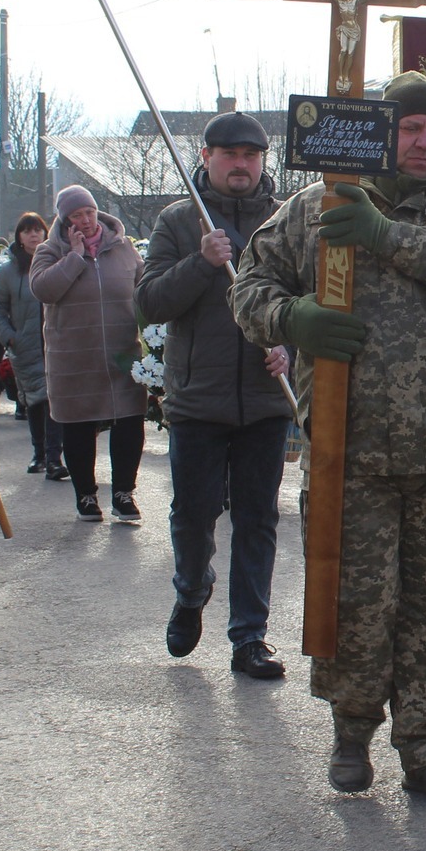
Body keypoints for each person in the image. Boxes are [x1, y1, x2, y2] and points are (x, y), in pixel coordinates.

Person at [231, 71, 426, 803]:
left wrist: (384, 236)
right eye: (410, 128)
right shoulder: (318, 209)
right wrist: (293, 318)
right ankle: (351, 732)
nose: (425, 142)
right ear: (379, 133)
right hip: (347, 448)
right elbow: (248, 287)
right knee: (358, 600)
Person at [137, 111, 295, 681]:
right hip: (197, 399)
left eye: (251, 155)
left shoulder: (285, 221)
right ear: (205, 158)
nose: (240, 164)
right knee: (194, 514)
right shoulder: (179, 221)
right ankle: (190, 588)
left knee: (257, 520)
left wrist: (290, 349)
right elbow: (150, 302)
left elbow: (306, 304)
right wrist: (202, 262)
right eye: (228, 154)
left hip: (265, 400)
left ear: (263, 161)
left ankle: (250, 636)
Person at [30, 186, 147, 523]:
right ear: (65, 220)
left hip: (121, 354)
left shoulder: (124, 248)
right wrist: (75, 257)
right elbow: (43, 289)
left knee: (129, 421)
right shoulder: (49, 251)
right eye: (76, 216)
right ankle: (86, 495)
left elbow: (143, 289)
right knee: (78, 426)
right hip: (73, 356)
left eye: (89, 212)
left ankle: (123, 493)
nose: (84, 220)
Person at [0, 213, 64, 479]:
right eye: (27, 231)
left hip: (56, 343)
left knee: (54, 398)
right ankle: (40, 454)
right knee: (35, 400)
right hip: (26, 346)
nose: (34, 235)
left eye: (38, 230)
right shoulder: (7, 272)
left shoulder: (56, 262)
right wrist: (10, 336)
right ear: (19, 237)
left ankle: (55, 457)